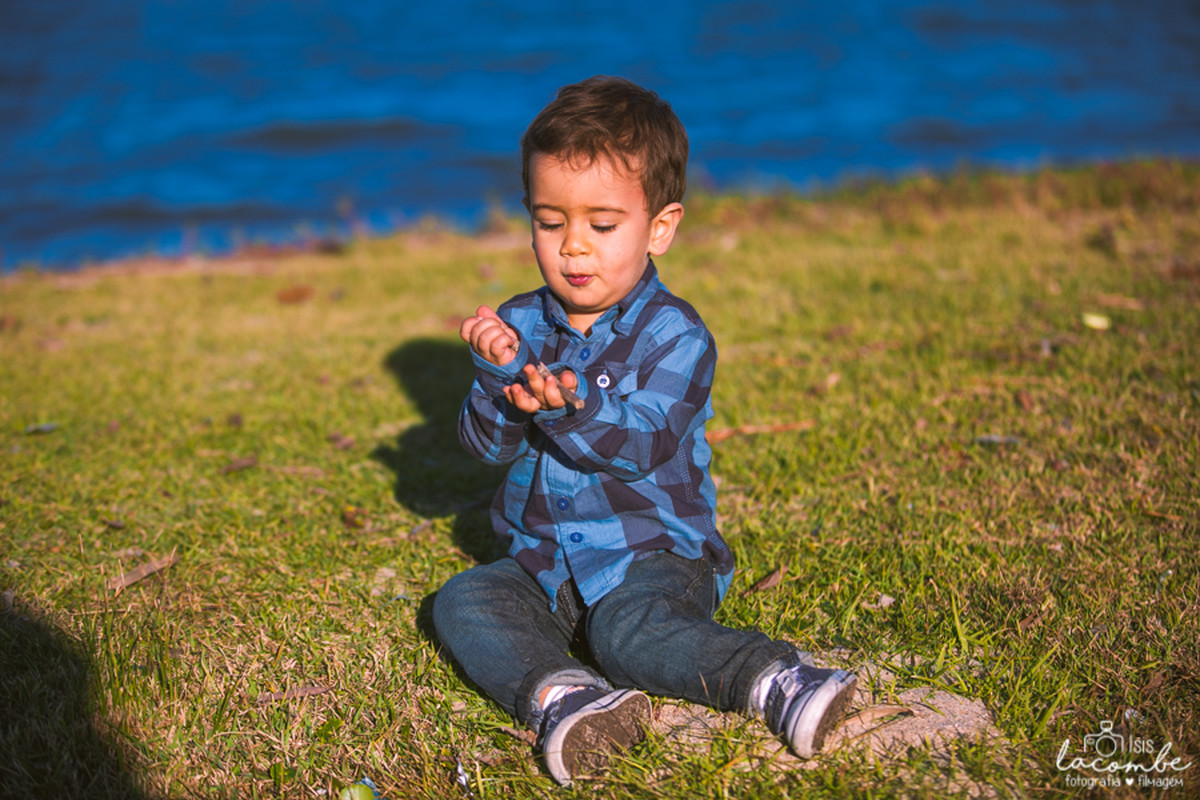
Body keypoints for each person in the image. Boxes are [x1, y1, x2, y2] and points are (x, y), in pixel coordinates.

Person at [432, 75, 857, 786]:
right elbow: (485, 449)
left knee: (625, 630)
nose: (572, 248)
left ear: (659, 226)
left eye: (601, 225)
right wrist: (497, 379)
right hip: (544, 566)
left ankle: (773, 679)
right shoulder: (521, 323)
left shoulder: (676, 335)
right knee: (464, 599)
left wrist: (570, 408)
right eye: (548, 221)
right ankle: (566, 698)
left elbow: (641, 445)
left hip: (652, 556)